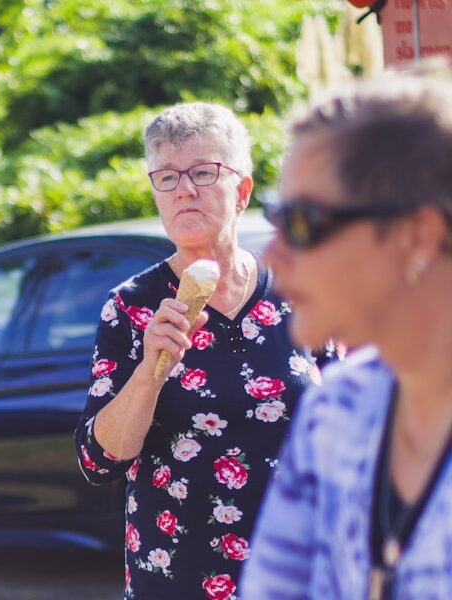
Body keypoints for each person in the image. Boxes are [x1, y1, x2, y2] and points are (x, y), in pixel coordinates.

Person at [74, 102, 334, 599]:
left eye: (203, 172)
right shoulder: (131, 307)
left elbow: (356, 423)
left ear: (242, 191)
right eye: (166, 177)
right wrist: (151, 370)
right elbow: (98, 461)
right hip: (179, 575)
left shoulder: (304, 292)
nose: (184, 189)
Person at [239, 67, 452, 599]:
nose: (272, 254)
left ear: (418, 236)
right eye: (275, 217)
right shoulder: (335, 408)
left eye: (304, 223)